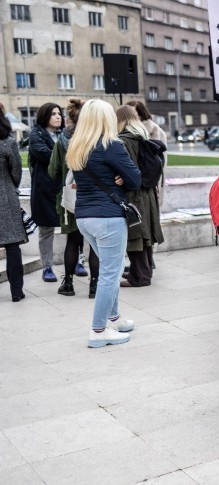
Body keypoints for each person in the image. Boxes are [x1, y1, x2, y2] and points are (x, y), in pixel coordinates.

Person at [66, 99, 141, 348]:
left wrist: (117, 178)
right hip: (107, 216)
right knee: (111, 273)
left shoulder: (77, 146)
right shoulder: (111, 145)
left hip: (85, 217)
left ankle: (114, 318)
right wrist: (121, 179)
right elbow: (136, 179)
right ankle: (98, 330)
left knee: (110, 268)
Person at [48, 98, 100, 298]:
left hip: (70, 197)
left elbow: (53, 171)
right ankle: (94, 286)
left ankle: (68, 283)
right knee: (94, 243)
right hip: (94, 195)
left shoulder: (62, 141)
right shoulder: (95, 138)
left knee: (73, 240)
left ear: (69, 117)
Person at [116, 106, 165, 288]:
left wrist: (120, 178)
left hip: (134, 194)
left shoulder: (124, 140)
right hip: (147, 193)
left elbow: (125, 169)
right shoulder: (143, 136)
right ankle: (144, 271)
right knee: (146, 236)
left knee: (136, 235)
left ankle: (141, 277)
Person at [28, 102, 65, 283]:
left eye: (59, 113)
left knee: (73, 227)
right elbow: (46, 155)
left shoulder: (65, 134)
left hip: (65, 187)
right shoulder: (36, 135)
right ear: (44, 116)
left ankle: (78, 261)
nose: (58, 116)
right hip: (45, 189)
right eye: (53, 114)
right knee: (46, 230)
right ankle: (47, 267)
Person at [0, 104, 26, 302]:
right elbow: (16, 170)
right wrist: (10, 184)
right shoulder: (8, 142)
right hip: (5, 196)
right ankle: (16, 292)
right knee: (12, 247)